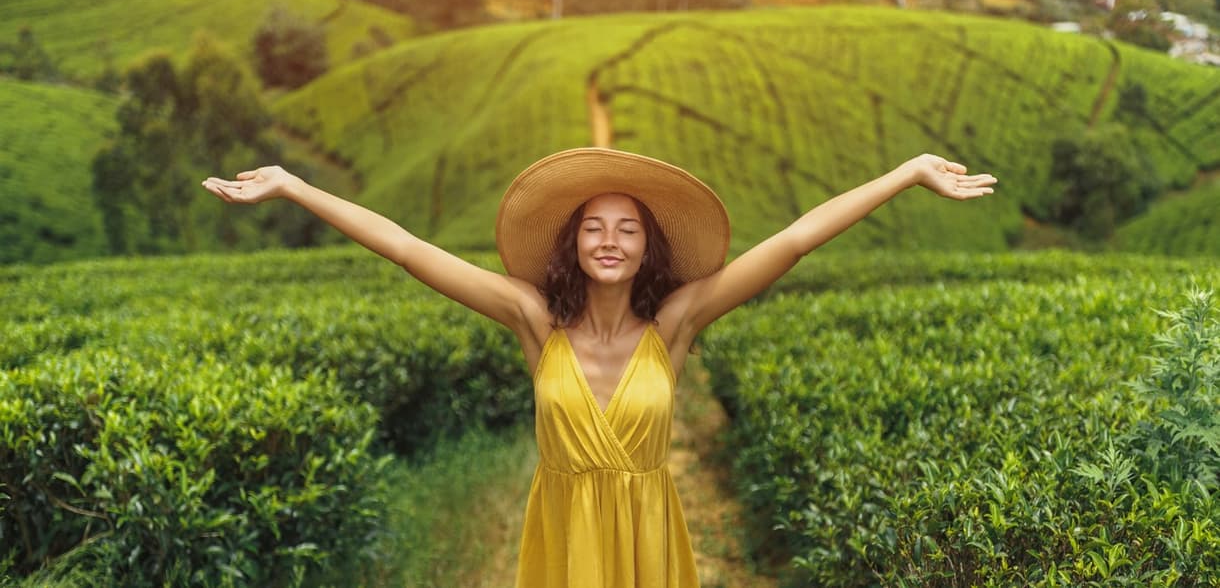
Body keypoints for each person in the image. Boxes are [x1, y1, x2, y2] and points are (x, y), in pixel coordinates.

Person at [201, 147, 996, 587]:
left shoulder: (676, 323)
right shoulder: (534, 318)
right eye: (593, 228)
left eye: (627, 229)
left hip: (649, 535)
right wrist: (298, 188)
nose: (610, 240)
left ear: (648, 247)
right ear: (572, 244)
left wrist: (905, 174)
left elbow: (791, 242)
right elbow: (411, 249)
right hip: (564, 537)